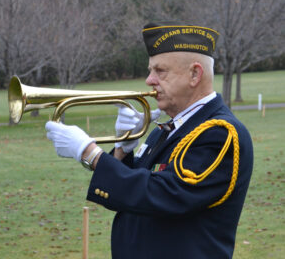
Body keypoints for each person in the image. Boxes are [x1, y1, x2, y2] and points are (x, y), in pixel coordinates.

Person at [45, 22, 253, 259]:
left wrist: (90, 153)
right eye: (150, 70)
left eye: (160, 71)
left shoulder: (221, 134)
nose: (149, 80)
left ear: (195, 74)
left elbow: (167, 195)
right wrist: (123, 149)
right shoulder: (166, 129)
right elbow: (129, 198)